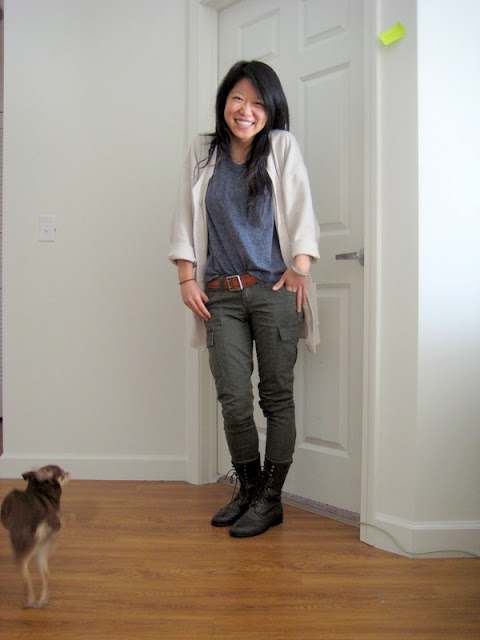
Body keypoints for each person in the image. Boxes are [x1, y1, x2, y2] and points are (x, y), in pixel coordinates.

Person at [169, 60, 320, 538]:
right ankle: (249, 489)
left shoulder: (281, 147)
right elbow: (184, 214)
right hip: (220, 296)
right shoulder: (203, 151)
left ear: (270, 109)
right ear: (224, 101)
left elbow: (301, 209)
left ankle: (270, 500)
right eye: (238, 98)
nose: (246, 110)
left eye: (258, 103)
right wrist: (186, 278)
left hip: (274, 292)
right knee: (233, 399)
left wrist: (300, 268)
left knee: (276, 397)